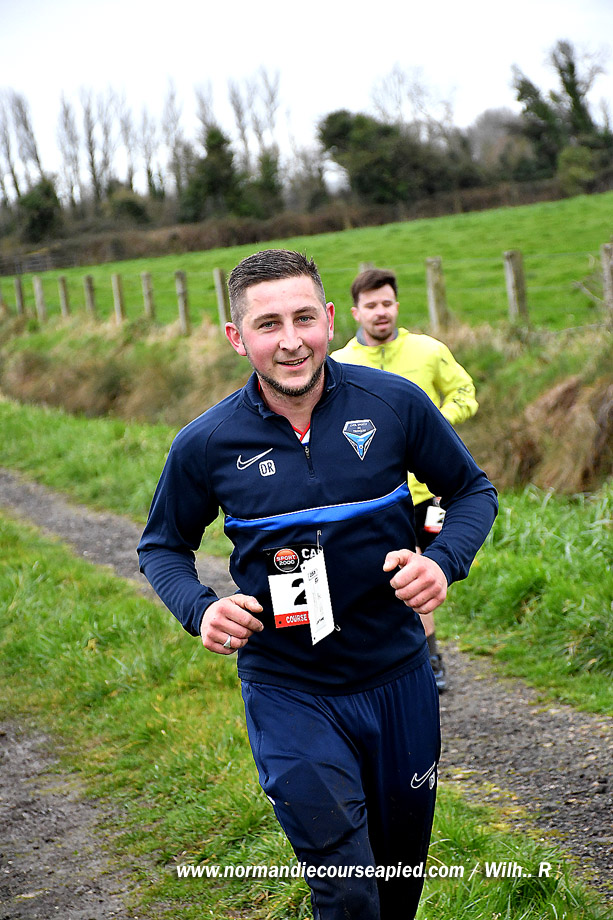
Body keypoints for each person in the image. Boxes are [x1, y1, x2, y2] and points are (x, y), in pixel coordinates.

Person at [137, 249, 497, 920]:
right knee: (346, 884)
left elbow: (472, 490)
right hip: (289, 688)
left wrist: (442, 561)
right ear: (236, 336)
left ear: (330, 319)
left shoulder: (394, 404)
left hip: (397, 680)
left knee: (395, 886)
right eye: (268, 324)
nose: (291, 341)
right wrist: (200, 609)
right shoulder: (205, 443)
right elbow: (162, 545)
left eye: (304, 318)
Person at [331, 267, 479, 692]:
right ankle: (423, 659)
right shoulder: (339, 364)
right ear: (355, 313)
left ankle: (420, 656)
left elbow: (465, 393)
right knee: (400, 571)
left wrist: (434, 425)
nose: (381, 312)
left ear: (397, 306)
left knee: (421, 574)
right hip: (378, 497)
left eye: (387, 303)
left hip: (431, 494)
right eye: (371, 306)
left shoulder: (429, 351)